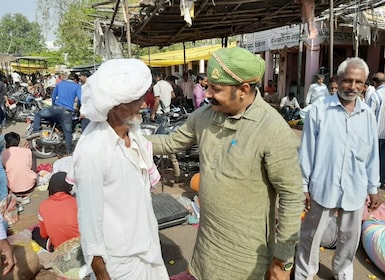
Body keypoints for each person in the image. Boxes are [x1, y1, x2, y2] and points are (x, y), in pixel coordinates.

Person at [147, 47, 304, 279]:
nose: (207, 93)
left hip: (247, 256)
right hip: (207, 246)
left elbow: (291, 196)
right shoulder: (204, 116)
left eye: (216, 89)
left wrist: (283, 261)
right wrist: (129, 140)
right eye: (208, 85)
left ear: (243, 90)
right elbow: (171, 142)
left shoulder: (273, 130)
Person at [68, 58, 168, 279]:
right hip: (119, 262)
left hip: (147, 246)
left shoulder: (135, 135)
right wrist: (101, 271)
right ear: (116, 106)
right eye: (138, 100)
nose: (144, 104)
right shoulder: (93, 150)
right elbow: (89, 219)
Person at [295, 57, 382, 280]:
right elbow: (307, 152)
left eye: (358, 82)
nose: (352, 86)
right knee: (311, 234)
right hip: (323, 186)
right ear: (338, 79)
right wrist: (303, 184)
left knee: (349, 237)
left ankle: (343, 273)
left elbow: (372, 156)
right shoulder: (319, 111)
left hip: (355, 187)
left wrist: (373, 188)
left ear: (364, 85)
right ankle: (305, 273)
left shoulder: (368, 116)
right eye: (348, 80)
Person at [29, 73, 82, 154]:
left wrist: (53, 107)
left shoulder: (60, 84)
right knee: (68, 132)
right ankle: (68, 151)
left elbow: (53, 97)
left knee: (38, 114)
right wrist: (79, 107)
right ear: (75, 80)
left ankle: (36, 131)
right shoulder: (77, 86)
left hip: (55, 108)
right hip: (67, 112)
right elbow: (80, 99)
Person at [32, 172, 79, 252]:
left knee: (35, 232)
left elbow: (43, 234)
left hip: (60, 248)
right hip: (80, 244)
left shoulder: (43, 206)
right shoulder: (76, 202)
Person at [2, 132, 37, 210]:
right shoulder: (27, 151)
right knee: (31, 159)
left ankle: (17, 198)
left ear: (6, 142)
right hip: (30, 186)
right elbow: (29, 165)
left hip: (13, 188)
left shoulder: (4, 154)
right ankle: (25, 196)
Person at [372, 73, 385, 189]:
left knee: (377, 158)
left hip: (378, 132)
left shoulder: (376, 95)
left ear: (375, 83)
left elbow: (370, 114)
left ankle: (379, 179)